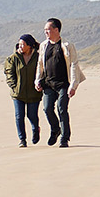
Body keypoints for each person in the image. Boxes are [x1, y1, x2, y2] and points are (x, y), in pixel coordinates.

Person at [36, 16, 83, 147]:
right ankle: (55, 129)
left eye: (48, 29)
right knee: (47, 108)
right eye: (45, 30)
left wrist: (73, 85)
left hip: (63, 84)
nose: (46, 32)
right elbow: (40, 64)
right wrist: (37, 80)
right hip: (48, 84)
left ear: (56, 30)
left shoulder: (67, 45)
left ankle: (65, 138)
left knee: (62, 108)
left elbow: (74, 64)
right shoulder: (43, 45)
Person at [3, 34, 41, 147]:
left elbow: (43, 71)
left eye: (23, 44)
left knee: (32, 115)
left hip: (34, 93)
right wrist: (14, 86)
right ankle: (22, 139)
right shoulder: (13, 58)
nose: (20, 46)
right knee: (19, 116)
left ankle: (35, 129)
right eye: (19, 44)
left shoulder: (38, 57)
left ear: (29, 45)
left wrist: (40, 84)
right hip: (17, 94)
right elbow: (9, 73)